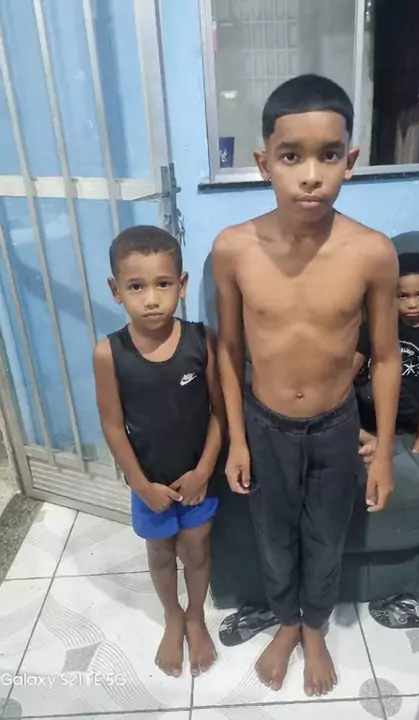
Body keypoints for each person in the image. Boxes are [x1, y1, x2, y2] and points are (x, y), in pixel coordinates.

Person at [212, 74, 401, 698]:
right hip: (265, 424)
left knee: (327, 535)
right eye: (292, 156)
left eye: (329, 156)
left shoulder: (372, 252)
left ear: (351, 160)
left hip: (336, 425)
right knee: (273, 535)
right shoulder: (233, 249)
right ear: (264, 163)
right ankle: (287, 622)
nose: (311, 176)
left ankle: (314, 627)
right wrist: (238, 440)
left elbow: (385, 356)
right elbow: (229, 350)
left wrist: (385, 453)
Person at [93, 226, 224, 679]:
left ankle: (195, 616)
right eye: (136, 287)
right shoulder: (108, 353)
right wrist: (141, 485)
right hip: (148, 483)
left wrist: (204, 471)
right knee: (161, 553)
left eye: (163, 284)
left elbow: (220, 413)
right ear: (116, 290)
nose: (151, 299)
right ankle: (173, 617)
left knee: (197, 549)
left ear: (181, 285)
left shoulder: (202, 341)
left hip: (198, 478)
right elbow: (112, 426)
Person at [355, 252, 419, 454]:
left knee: (389, 380)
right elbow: (356, 360)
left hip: (408, 401)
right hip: (369, 399)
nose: (412, 304)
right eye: (403, 296)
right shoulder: (376, 326)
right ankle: (363, 435)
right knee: (345, 393)